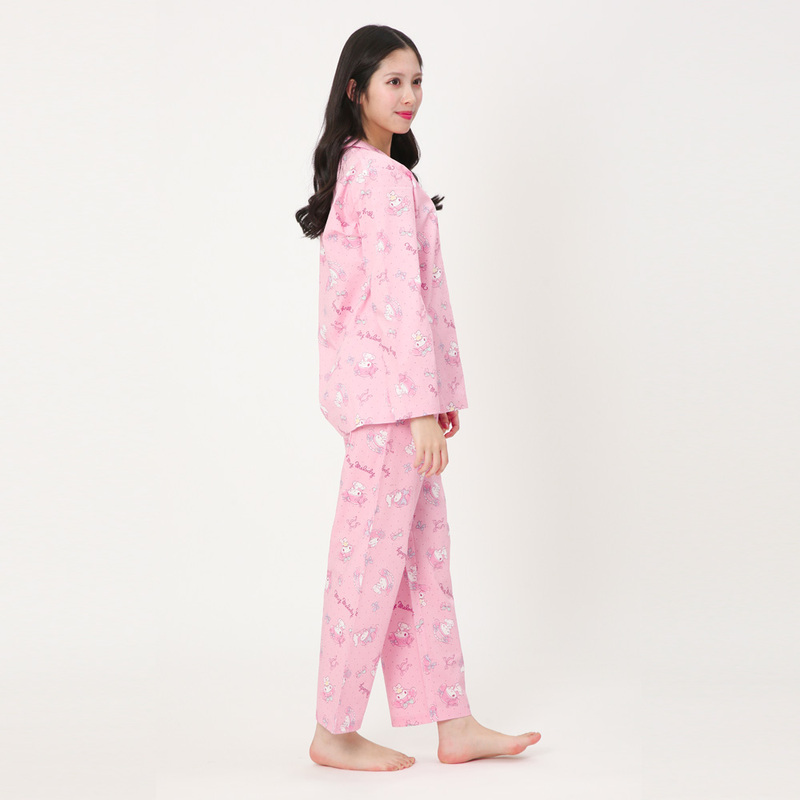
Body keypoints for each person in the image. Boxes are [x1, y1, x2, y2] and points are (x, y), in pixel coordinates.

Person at [295, 24, 541, 771]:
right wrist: (417, 407)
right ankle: (333, 730)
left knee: (421, 563)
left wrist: (433, 399)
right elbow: (397, 301)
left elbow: (397, 300)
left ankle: (452, 722)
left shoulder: (371, 172)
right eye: (393, 81)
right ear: (356, 90)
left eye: (417, 81)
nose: (409, 96)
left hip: (395, 401)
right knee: (369, 567)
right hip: (388, 408)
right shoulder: (376, 178)